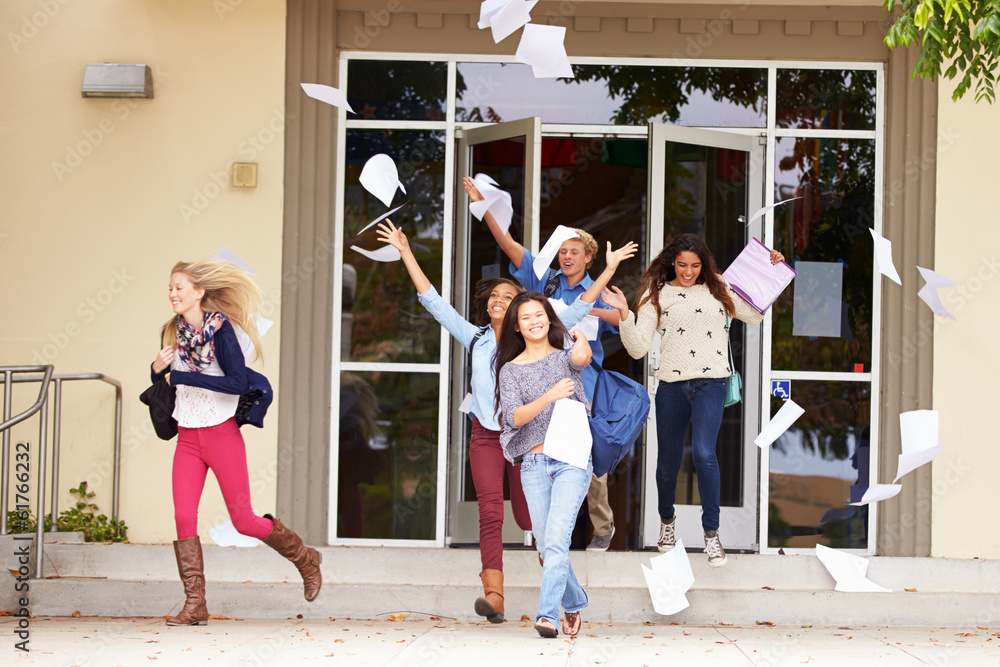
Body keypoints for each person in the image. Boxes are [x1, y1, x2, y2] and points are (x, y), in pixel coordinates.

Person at [376, 219, 635, 623]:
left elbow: (583, 303)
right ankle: (494, 596)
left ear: (521, 310)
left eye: (508, 295)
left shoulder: (542, 334)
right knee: (491, 511)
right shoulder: (476, 338)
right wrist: (407, 251)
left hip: (532, 439)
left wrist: (610, 268)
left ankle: (566, 592)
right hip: (487, 435)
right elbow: (433, 302)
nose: (499, 299)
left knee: (533, 523)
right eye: (494, 295)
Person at [150, 260, 322, 626]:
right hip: (188, 436)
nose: (173, 294)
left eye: (179, 287)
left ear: (199, 292)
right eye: (170, 288)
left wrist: (186, 376)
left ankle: (305, 558)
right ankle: (195, 605)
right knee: (183, 517)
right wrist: (156, 372)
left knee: (243, 520)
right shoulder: (173, 332)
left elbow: (238, 382)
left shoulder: (222, 331)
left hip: (221, 434)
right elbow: (170, 383)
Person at [603, 234, 784, 567]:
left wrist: (771, 268)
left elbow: (756, 316)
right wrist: (625, 315)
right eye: (682, 265)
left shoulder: (720, 289)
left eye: (695, 265)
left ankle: (711, 534)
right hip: (672, 385)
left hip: (712, 382)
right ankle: (667, 522)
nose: (688, 272)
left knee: (704, 452)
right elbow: (639, 348)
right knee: (668, 464)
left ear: (705, 264)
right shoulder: (655, 295)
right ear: (673, 262)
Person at [466, 177, 619, 552]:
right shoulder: (544, 280)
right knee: (540, 447)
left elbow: (620, 317)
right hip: (537, 380)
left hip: (583, 380)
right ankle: (546, 532)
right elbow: (508, 244)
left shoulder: (593, 288)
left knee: (583, 450)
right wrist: (483, 208)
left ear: (588, 257)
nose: (566, 257)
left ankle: (601, 524)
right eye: (562, 250)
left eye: (574, 251)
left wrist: (586, 305)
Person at [495, 293, 593, 639]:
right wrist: (550, 396)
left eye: (540, 314)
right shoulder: (510, 370)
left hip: (571, 458)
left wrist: (579, 339)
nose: (534, 321)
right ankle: (575, 599)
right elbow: (515, 417)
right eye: (526, 317)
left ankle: (547, 615)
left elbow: (582, 357)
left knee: (555, 538)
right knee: (545, 544)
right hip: (534, 462)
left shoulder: (566, 358)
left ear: (549, 319)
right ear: (517, 327)